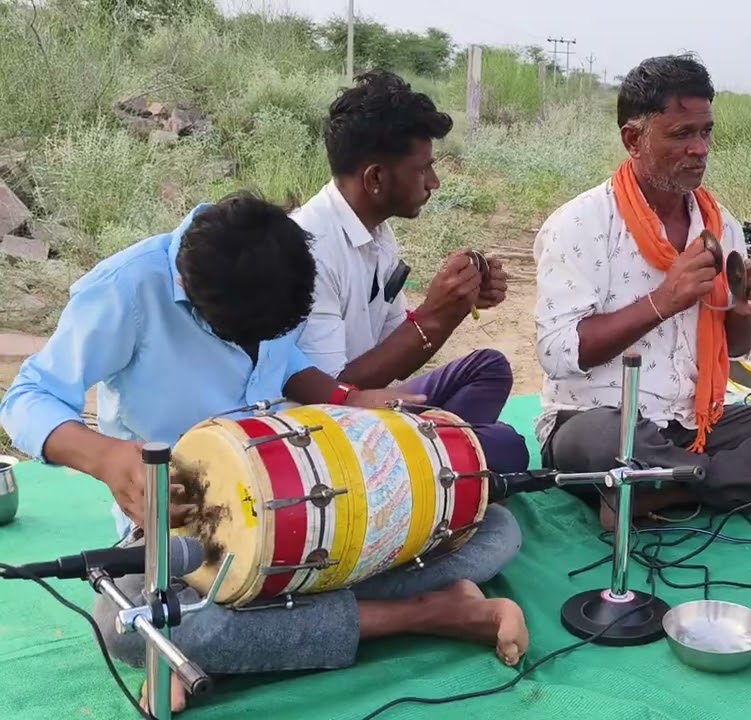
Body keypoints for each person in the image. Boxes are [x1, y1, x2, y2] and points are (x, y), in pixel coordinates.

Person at [0, 193, 527, 714]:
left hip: (299, 490)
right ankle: (425, 613)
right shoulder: (127, 290)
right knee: (123, 623)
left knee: (495, 527)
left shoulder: (274, 263)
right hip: (188, 523)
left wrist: (349, 399)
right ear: (188, 291)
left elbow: (286, 357)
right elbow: (27, 399)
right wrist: (107, 458)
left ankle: (209, 641)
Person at [533, 54, 751, 530]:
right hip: (602, 418)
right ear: (633, 140)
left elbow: (738, 348)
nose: (699, 149)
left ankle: (668, 486)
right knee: (600, 440)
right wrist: (664, 300)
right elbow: (558, 353)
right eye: (682, 134)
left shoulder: (720, 225)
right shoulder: (578, 225)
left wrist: (742, 311)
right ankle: (703, 480)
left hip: (696, 425)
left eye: (705, 132)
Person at [293, 69, 529, 473]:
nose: (434, 182)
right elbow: (332, 394)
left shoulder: (377, 232)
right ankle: (430, 466)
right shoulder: (308, 249)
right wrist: (437, 316)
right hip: (326, 432)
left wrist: (455, 303)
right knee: (508, 448)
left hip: (371, 406)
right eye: (423, 170)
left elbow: (392, 351)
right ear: (376, 178)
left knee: (489, 367)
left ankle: (431, 461)